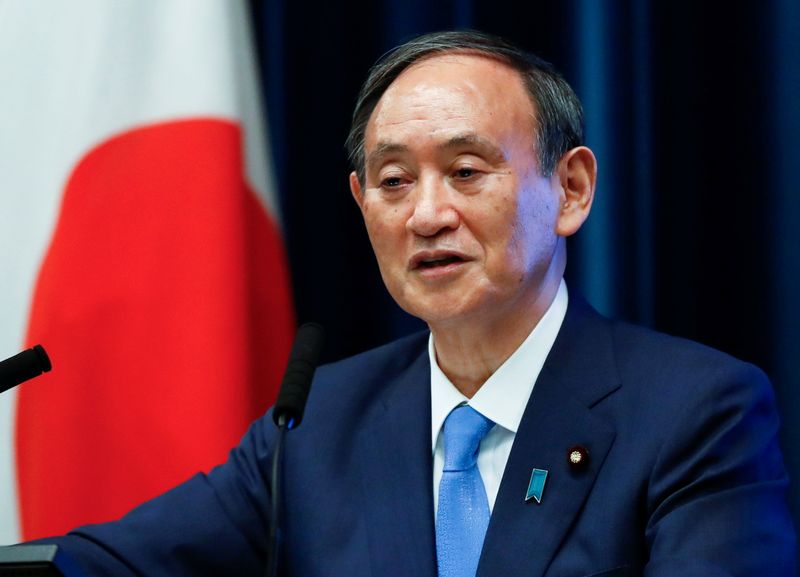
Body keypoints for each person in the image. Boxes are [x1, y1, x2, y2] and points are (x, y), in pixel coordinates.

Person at [31, 30, 796, 576]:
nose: (426, 213)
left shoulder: (696, 411)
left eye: (466, 171)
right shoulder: (319, 421)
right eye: (394, 181)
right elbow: (104, 562)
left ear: (571, 189)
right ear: (362, 204)